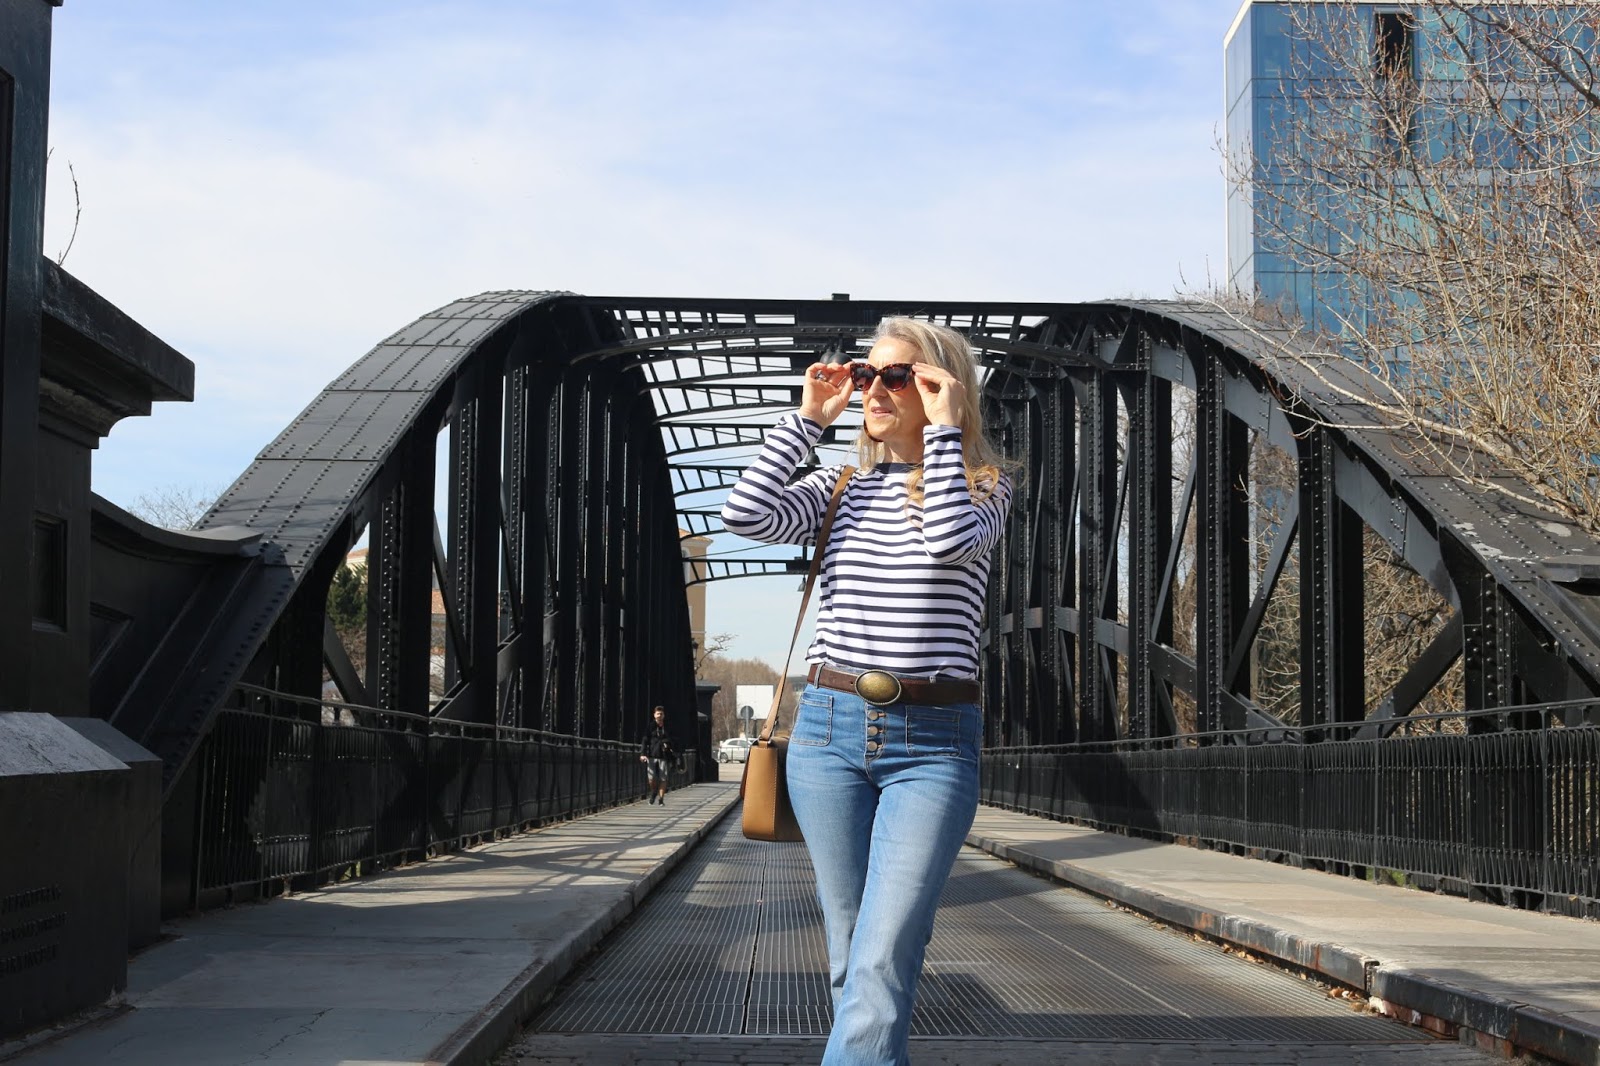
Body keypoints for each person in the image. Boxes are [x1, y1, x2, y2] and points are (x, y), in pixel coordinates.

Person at [721, 317, 1013, 1065]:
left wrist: (944, 434)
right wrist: (808, 422)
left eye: (897, 376)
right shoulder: (838, 488)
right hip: (828, 732)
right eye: (866, 375)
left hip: (933, 745)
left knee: (883, 955)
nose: (874, 390)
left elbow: (946, 541)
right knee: (851, 954)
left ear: (942, 388)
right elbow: (744, 514)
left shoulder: (983, 488)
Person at [639, 705, 674, 805]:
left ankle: (661, 799)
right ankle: (654, 792)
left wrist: (668, 744)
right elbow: (645, 740)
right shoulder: (650, 727)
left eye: (661, 714)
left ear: (664, 715)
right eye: (658, 714)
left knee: (663, 778)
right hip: (652, 755)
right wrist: (642, 754)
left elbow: (673, 739)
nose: (659, 715)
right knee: (651, 778)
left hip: (664, 756)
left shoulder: (667, 727)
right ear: (654, 715)